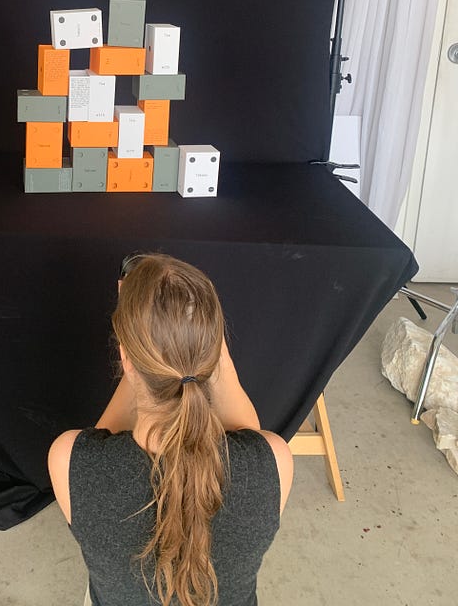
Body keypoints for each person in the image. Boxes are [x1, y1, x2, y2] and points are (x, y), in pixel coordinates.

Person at [48, 253, 293, 606]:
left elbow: (97, 445)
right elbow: (248, 437)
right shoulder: (274, 462)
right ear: (215, 353)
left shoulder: (68, 460)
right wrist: (193, 341)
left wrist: (141, 341)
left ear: (126, 358)